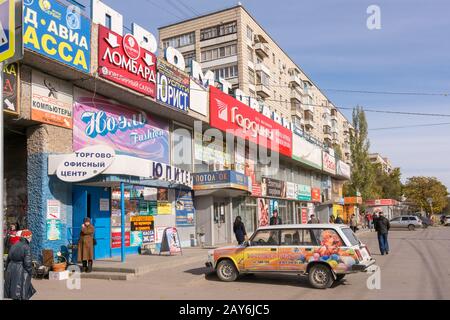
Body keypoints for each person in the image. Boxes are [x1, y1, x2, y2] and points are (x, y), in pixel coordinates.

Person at [4, 230, 36, 300]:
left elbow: (8, 259)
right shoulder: (26, 247)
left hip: (11, 269)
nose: (31, 239)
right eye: (31, 237)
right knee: (21, 291)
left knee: (14, 291)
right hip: (21, 270)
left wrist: (7, 270)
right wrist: (31, 272)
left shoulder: (14, 244)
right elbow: (27, 263)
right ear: (28, 237)